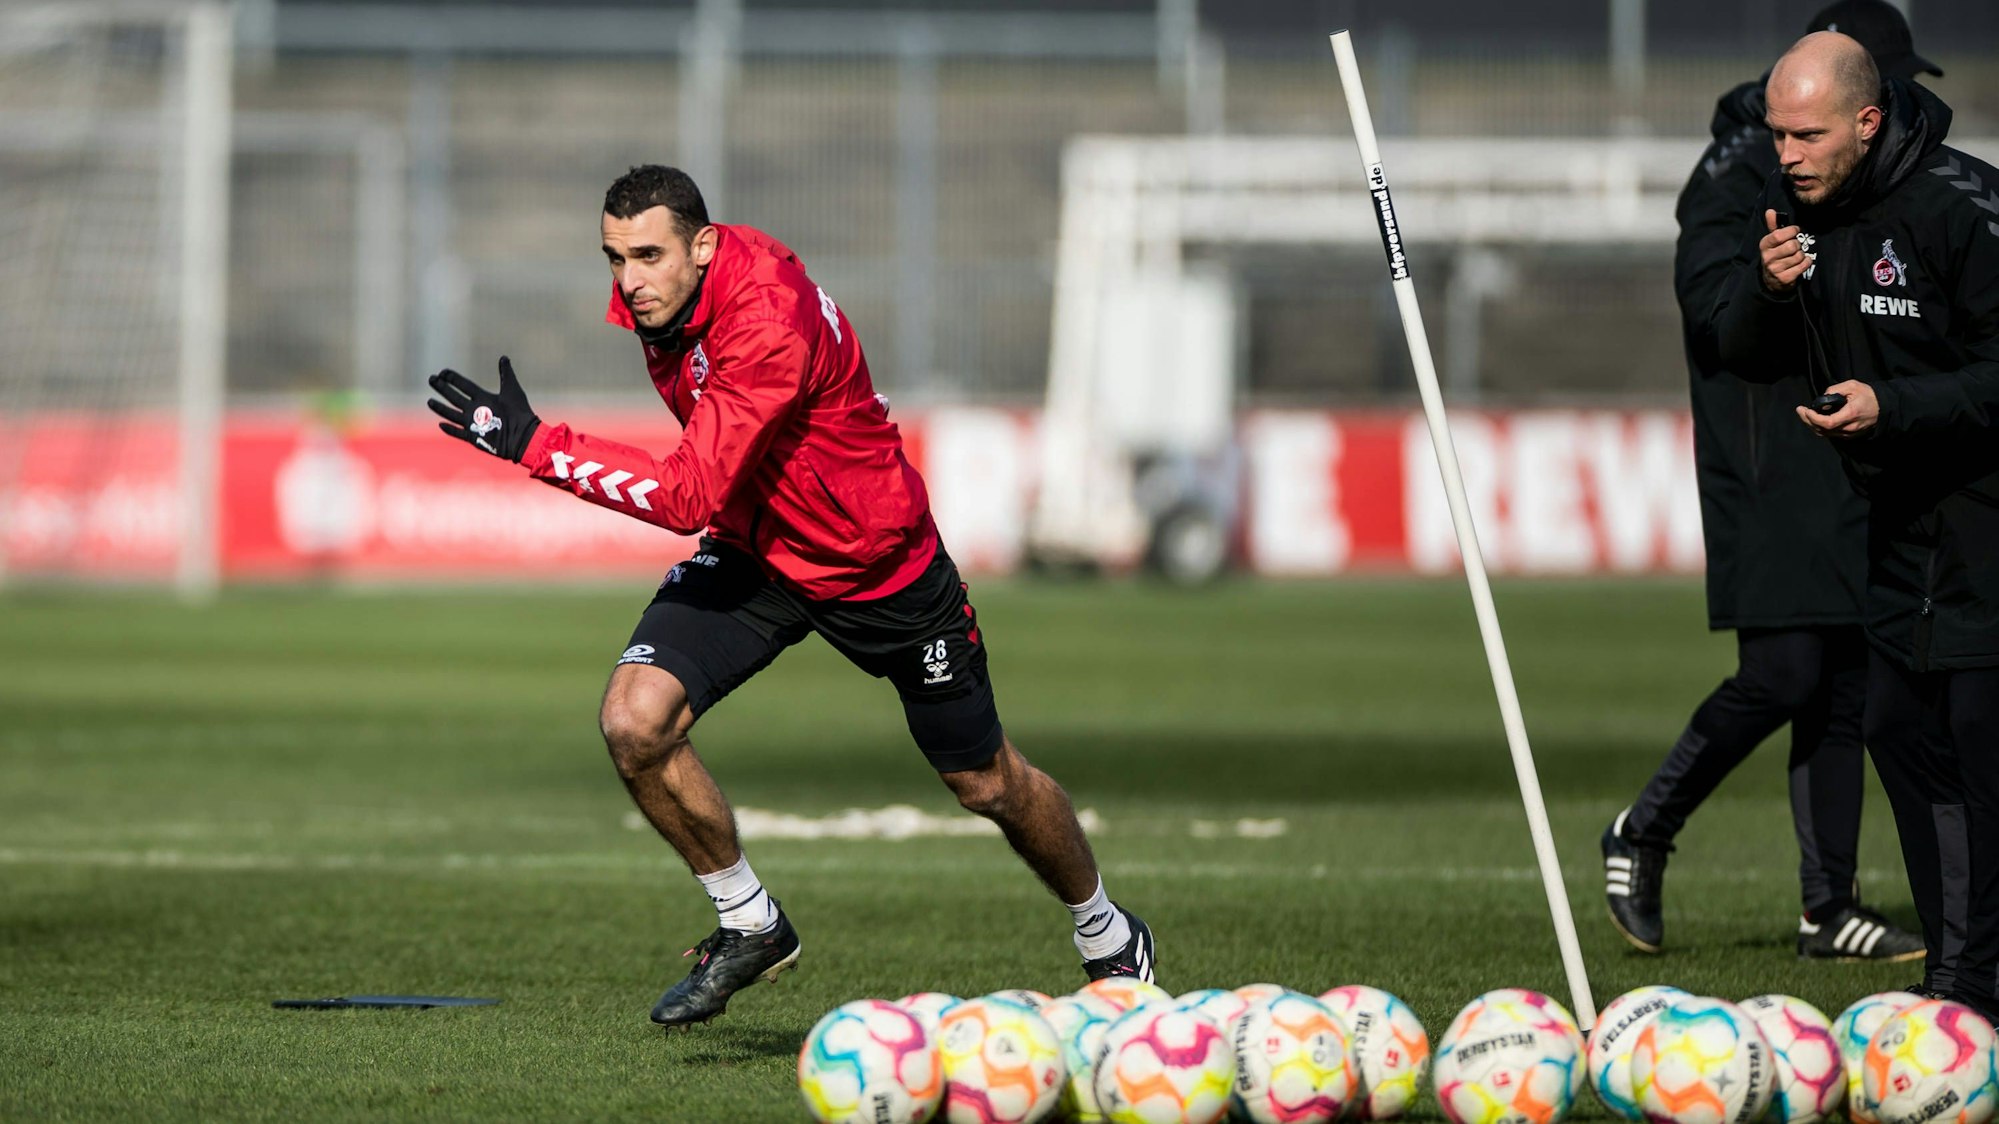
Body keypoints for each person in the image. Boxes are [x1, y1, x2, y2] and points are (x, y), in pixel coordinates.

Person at [425, 165, 1155, 1028]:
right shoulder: (665, 294)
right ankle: (750, 923)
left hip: (876, 564)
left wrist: (534, 445)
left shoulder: (767, 317)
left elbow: (685, 495)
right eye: (613, 257)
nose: (629, 282)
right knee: (634, 721)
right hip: (755, 550)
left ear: (702, 245)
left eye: (649, 255)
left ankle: (1108, 933)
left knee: (983, 781)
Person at [1601, 0, 1936, 962]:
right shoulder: (1739, 171)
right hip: (1766, 458)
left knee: (1847, 681)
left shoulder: (1868, 173)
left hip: (1849, 453)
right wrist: (1768, 282)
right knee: (1784, 671)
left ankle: (1826, 907)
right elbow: (1716, 323)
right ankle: (1643, 829)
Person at [1715, 30, 1999, 1017]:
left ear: (1867, 121)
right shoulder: (1804, 216)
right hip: (1896, 528)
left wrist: (1896, 406)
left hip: (1984, 524)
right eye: (1774, 132)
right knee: (1893, 727)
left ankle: (1965, 989)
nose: (1782, 153)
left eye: (1804, 134)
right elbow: (1741, 353)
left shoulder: (1965, 211)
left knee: (1971, 740)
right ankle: (1961, 979)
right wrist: (1769, 288)